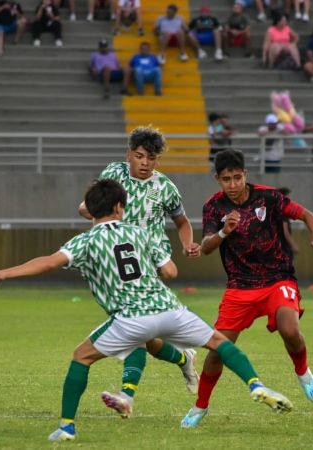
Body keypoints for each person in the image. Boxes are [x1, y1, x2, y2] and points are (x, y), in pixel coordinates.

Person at [0, 179, 293, 442]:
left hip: (131, 318)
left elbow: (46, 263)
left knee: (81, 357)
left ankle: (66, 427)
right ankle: (256, 384)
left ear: (91, 210)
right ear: (119, 207)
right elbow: (169, 271)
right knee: (219, 343)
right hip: (169, 309)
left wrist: (5, 273)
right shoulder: (140, 233)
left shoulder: (85, 242)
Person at [180, 149, 313, 429]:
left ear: (245, 175)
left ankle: (303, 372)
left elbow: (306, 214)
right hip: (240, 286)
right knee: (217, 351)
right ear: (217, 179)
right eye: (226, 179)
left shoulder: (269, 196)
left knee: (290, 329)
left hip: (278, 278)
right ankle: (200, 406)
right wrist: (225, 231)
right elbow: (205, 248)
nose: (233, 184)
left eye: (237, 177)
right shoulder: (213, 207)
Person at [77, 126, 203, 418]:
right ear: (129, 155)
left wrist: (187, 244)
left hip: (149, 261)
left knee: (133, 326)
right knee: (146, 337)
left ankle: (127, 396)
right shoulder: (114, 173)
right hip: (114, 259)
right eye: (140, 156)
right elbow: (91, 204)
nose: (146, 163)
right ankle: (184, 358)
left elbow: (182, 222)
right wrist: (88, 209)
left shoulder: (165, 188)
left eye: (152, 158)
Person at [278, 187, 301, 255]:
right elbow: (286, 232)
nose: (289, 200)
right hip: (283, 248)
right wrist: (293, 245)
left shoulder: (275, 210)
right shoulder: (282, 212)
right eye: (287, 198)